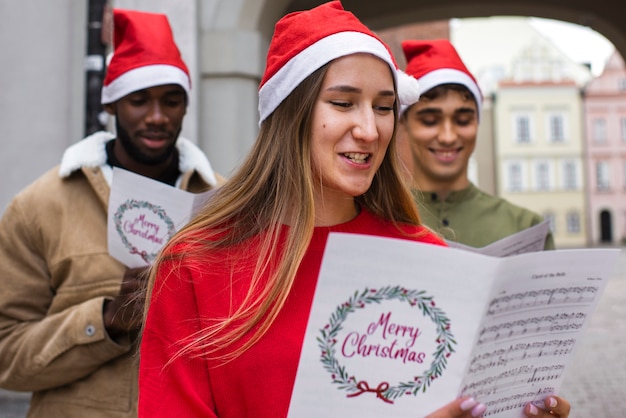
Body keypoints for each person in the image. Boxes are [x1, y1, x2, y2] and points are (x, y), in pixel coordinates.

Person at [138, 2, 569, 418]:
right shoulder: (195, 264)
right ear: (290, 114)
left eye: (384, 108)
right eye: (343, 104)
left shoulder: (428, 257)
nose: (369, 129)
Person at [0, 9, 222, 418]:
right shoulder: (40, 207)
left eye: (171, 101)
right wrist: (107, 318)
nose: (157, 117)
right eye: (139, 101)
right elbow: (6, 357)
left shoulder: (224, 207)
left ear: (185, 106)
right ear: (111, 103)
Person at [397, 39, 555, 249]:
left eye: (463, 120)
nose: (448, 136)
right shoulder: (376, 224)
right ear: (403, 122)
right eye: (430, 120)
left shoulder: (525, 228)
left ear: (477, 122)